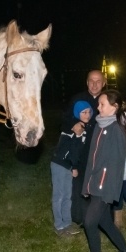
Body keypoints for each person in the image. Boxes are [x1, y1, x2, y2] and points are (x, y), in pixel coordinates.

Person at [81, 89, 126, 252]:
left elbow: (116, 167)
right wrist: (87, 185)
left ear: (114, 108)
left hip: (105, 187)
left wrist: (110, 193)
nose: (98, 107)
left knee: (89, 222)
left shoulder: (117, 131)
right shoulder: (99, 126)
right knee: (105, 222)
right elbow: (92, 159)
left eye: (102, 104)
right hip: (95, 183)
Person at [66, 70, 105, 225]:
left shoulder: (108, 99)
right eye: (91, 81)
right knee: (79, 184)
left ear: (104, 83)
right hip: (81, 151)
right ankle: (79, 217)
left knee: (99, 185)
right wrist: (73, 124)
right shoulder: (77, 99)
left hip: (101, 150)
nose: (95, 84)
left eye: (98, 81)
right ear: (87, 82)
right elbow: (65, 120)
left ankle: (101, 217)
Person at [50, 101, 91, 237]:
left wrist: (74, 166)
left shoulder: (83, 129)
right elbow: (70, 148)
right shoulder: (70, 127)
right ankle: (59, 225)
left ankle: (67, 223)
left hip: (68, 165)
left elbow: (77, 152)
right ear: (77, 113)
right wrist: (77, 135)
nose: (87, 114)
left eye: (89, 112)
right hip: (59, 164)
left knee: (68, 196)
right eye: (83, 112)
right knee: (59, 196)